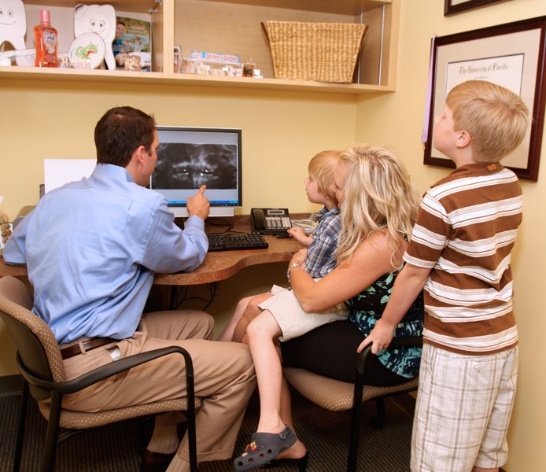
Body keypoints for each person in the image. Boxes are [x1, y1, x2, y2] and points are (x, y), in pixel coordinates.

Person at [2, 106, 256, 472]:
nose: (156, 159)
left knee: (199, 324)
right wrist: (197, 217)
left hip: (58, 354)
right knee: (243, 364)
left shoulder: (55, 198)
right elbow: (187, 256)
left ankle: (162, 441)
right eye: (155, 150)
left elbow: (13, 252)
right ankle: (187, 467)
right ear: (140, 154)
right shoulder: (141, 206)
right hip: (94, 371)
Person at [360, 80, 529, 472]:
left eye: (444, 115)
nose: (438, 119)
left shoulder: (442, 197)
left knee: (440, 458)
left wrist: (387, 324)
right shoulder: (509, 182)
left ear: (462, 137)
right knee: (489, 452)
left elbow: (415, 272)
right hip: (502, 337)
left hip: (459, 347)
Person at [234, 144, 424, 471]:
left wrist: (296, 266)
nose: (332, 192)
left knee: (261, 332)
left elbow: (311, 297)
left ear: (361, 193)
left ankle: (271, 428)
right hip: (364, 327)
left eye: (337, 186)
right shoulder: (385, 225)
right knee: (256, 314)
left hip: (384, 353)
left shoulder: (382, 241)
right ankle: (277, 429)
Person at [218, 149, 344, 343]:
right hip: (312, 286)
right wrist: (307, 242)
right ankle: (218, 353)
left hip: (314, 292)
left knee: (251, 305)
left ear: (326, 188)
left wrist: (296, 263)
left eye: (310, 178)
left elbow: (311, 270)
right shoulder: (329, 216)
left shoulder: (332, 222)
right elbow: (327, 246)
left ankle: (231, 362)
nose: (305, 181)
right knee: (243, 303)